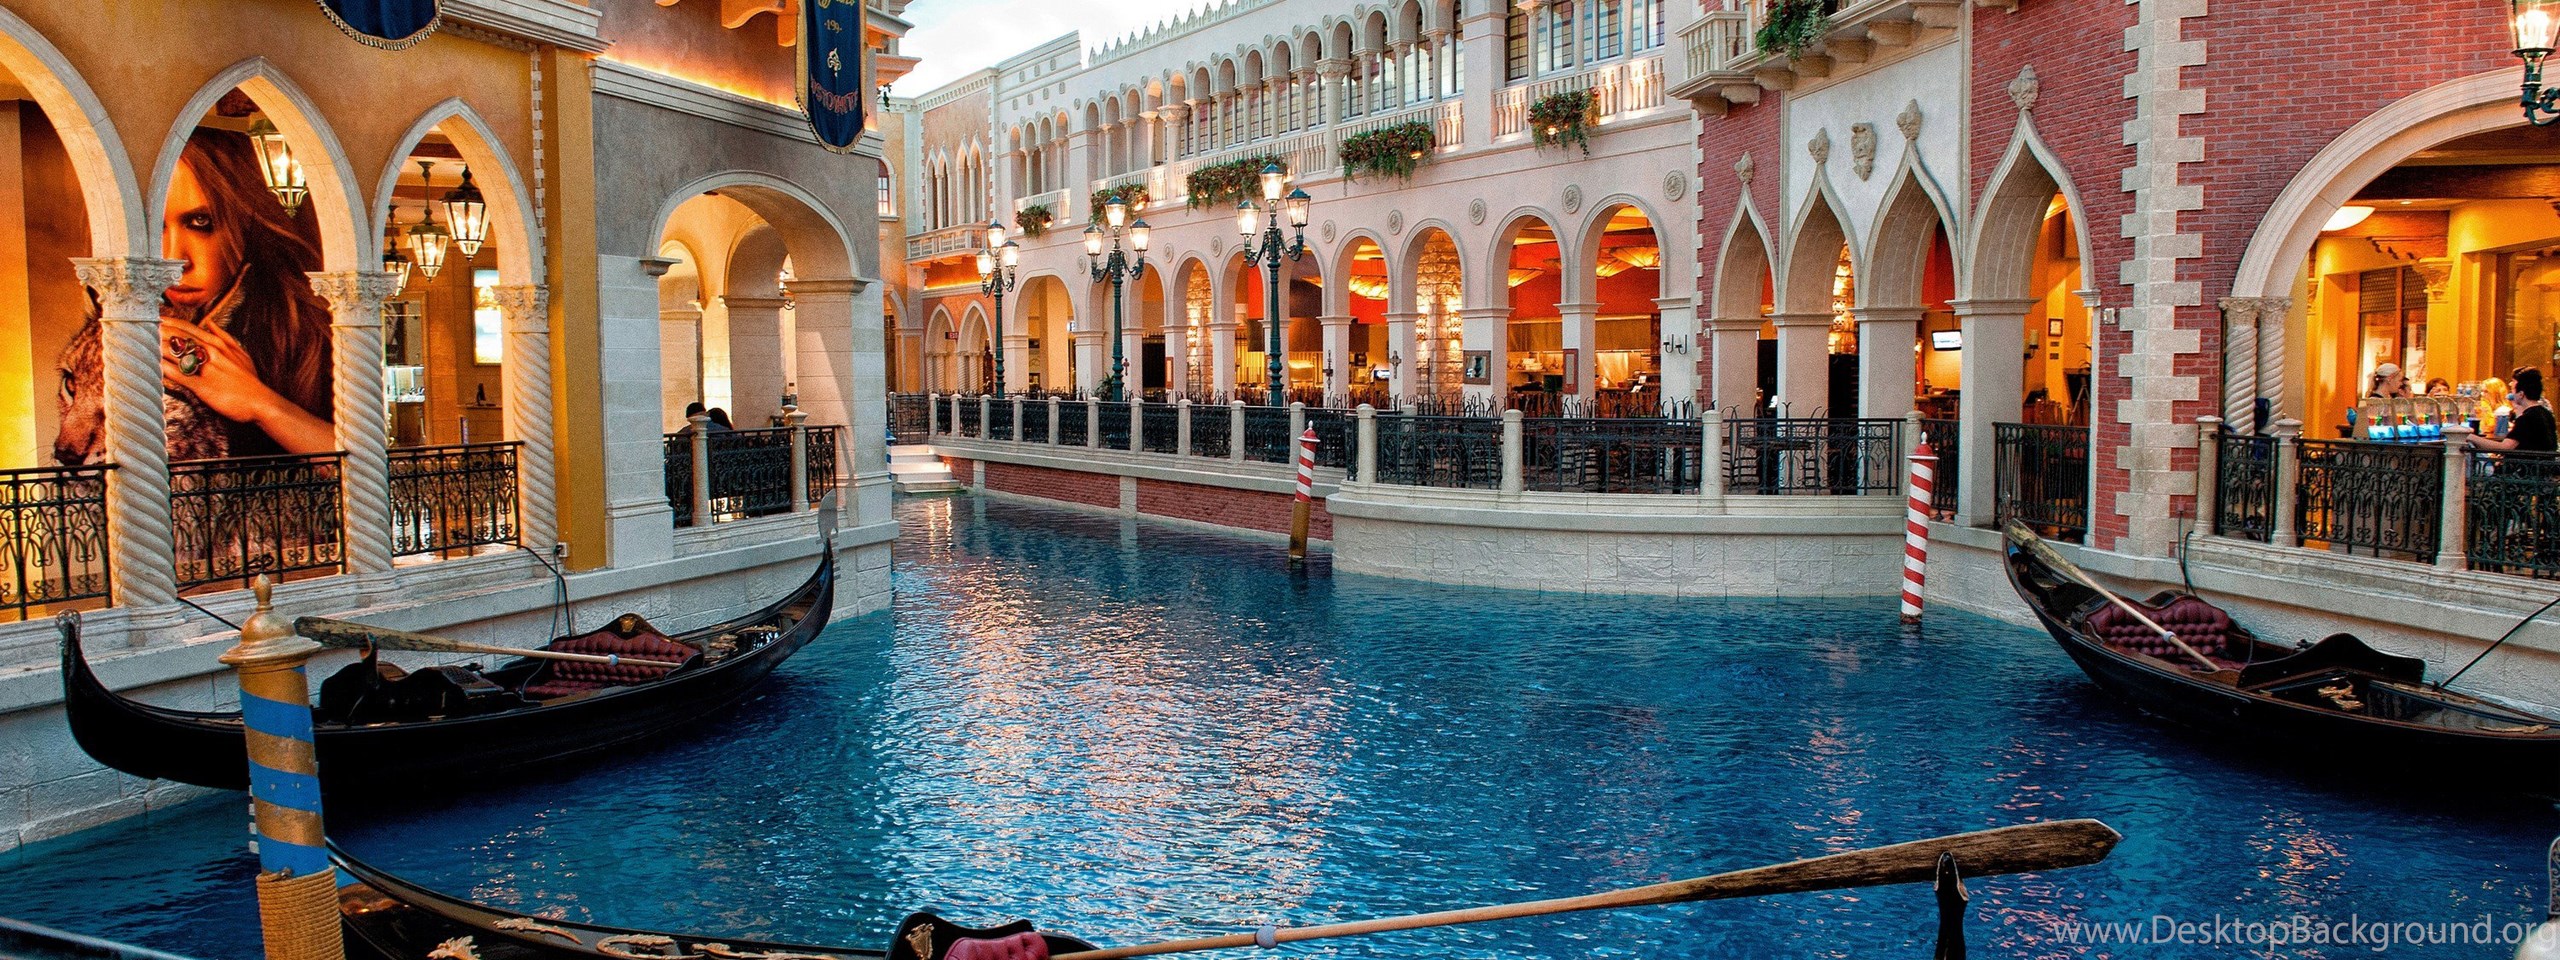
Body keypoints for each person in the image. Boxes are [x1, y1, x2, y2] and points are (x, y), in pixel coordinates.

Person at [54, 126, 335, 463]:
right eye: (153, 227)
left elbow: (375, 471)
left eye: (201, 223)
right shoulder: (123, 322)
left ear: (254, 226)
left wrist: (260, 404)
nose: (174, 260)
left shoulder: (320, 334)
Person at [2471, 367, 2555, 454]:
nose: (2511, 394)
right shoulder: (2545, 413)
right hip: (2541, 461)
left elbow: (2505, 447)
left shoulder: (2527, 418)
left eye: (2513, 390)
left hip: (2525, 462)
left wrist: (2470, 437)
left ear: (2521, 394)